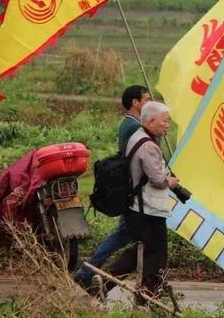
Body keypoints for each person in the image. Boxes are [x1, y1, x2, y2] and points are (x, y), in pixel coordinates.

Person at [74, 85, 150, 290]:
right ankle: (88, 272)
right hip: (132, 190)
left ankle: (93, 274)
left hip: (131, 189)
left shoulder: (131, 124)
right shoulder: (134, 127)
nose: (148, 105)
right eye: (146, 101)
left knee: (126, 235)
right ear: (135, 103)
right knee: (124, 235)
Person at [105, 101, 180, 298]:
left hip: (139, 207)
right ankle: (148, 291)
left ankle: (108, 283)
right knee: (156, 251)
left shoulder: (139, 137)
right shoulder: (148, 146)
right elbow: (157, 179)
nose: (167, 125)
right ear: (150, 121)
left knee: (142, 250)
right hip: (148, 208)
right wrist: (171, 181)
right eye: (164, 121)